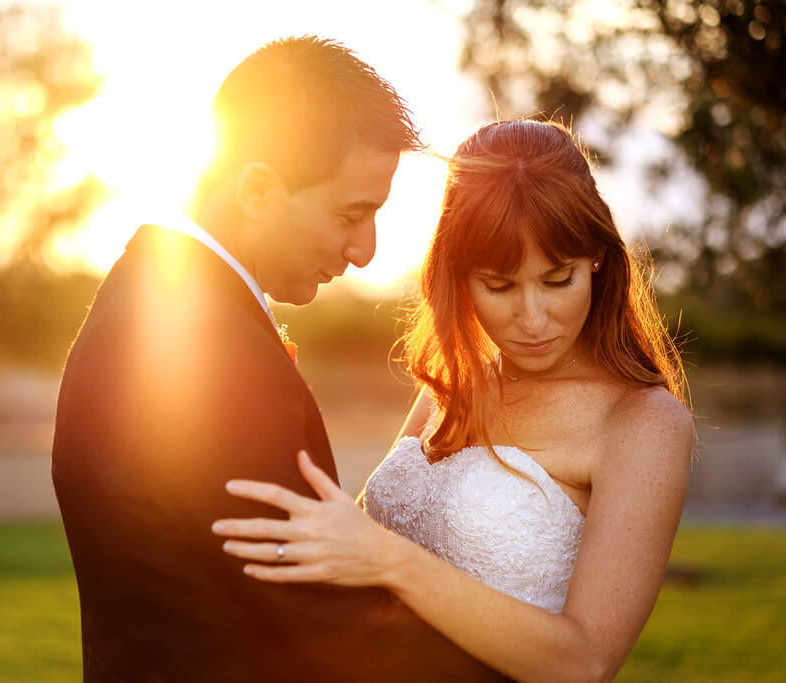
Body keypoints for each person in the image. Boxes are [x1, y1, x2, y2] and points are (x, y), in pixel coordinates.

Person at [51, 36, 507, 681]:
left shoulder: (145, 296)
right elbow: (320, 623)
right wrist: (529, 662)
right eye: (353, 214)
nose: (366, 251)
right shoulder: (209, 351)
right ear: (259, 190)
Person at [212, 119, 695, 683]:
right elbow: (358, 540)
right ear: (459, 276)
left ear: (596, 259)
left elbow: (583, 662)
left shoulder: (643, 423)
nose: (533, 318)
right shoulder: (451, 382)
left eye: (558, 279)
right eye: (499, 285)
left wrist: (392, 563)